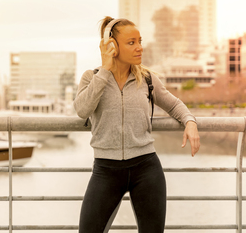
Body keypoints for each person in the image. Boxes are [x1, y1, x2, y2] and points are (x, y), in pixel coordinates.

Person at [73, 16, 200, 232]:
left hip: (146, 169)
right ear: (112, 46)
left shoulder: (147, 79)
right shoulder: (92, 77)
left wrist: (190, 122)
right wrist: (105, 70)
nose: (139, 48)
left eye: (140, 41)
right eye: (131, 43)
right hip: (106, 170)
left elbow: (174, 104)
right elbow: (82, 110)